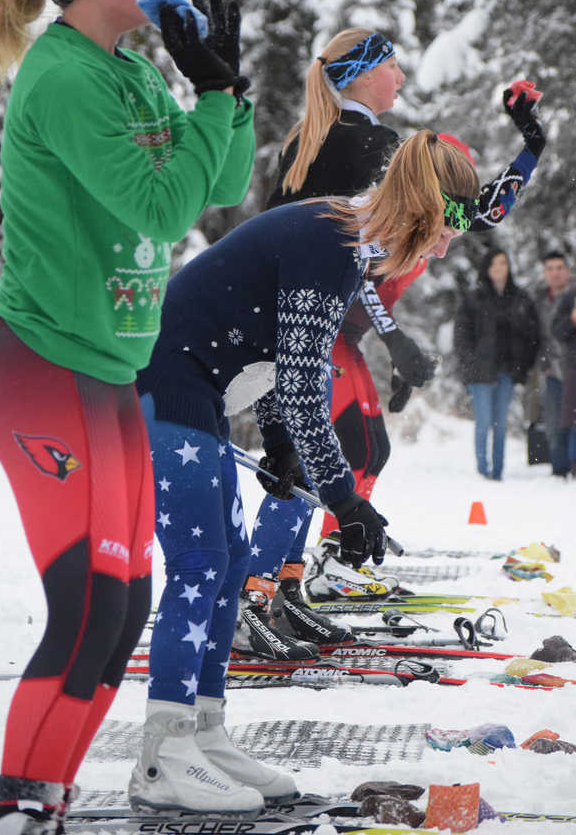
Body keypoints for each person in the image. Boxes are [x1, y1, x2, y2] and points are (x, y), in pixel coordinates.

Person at [0, 0, 254, 835]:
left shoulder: (127, 71)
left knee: (124, 605)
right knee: (86, 604)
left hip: (107, 372)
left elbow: (217, 183)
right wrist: (209, 96)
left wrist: (228, 89)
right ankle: (21, 804)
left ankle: (41, 803)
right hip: (44, 368)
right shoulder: (63, 76)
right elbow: (162, 208)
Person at [130, 128, 481, 812]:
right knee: (202, 560)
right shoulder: (333, 240)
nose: (441, 249)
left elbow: (277, 348)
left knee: (230, 559)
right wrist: (345, 502)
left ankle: (203, 729)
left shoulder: (339, 240)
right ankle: (161, 754)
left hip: (200, 387)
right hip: (167, 382)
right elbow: (298, 381)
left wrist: (282, 443)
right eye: (443, 231)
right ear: (419, 211)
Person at [237, 27, 547, 656]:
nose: (402, 79)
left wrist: (531, 144)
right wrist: (394, 337)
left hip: (293, 316)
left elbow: (466, 213)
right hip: (308, 319)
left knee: (319, 452)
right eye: (393, 67)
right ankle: (260, 594)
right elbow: (362, 243)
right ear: (358, 75)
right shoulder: (370, 145)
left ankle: (282, 588)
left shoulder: (317, 139)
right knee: (325, 450)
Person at [454, 249, 540, 480]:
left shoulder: (520, 298)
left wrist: (523, 367)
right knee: (483, 423)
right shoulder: (474, 298)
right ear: (487, 268)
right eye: (494, 263)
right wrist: (470, 364)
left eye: (503, 263)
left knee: (500, 425)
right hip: (480, 372)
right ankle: (483, 471)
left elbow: (532, 334)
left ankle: (498, 472)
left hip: (507, 372)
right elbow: (461, 334)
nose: (499, 268)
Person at [532, 251, 572, 476]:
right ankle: (558, 470)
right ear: (545, 273)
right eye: (550, 269)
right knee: (555, 422)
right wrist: (543, 362)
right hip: (553, 370)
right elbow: (536, 336)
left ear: (567, 270)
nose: (555, 273)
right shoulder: (539, 301)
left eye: (560, 268)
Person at [552, 285, 576, 478]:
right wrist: (572, 320)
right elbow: (557, 330)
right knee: (569, 418)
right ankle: (564, 466)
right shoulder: (571, 295)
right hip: (573, 366)